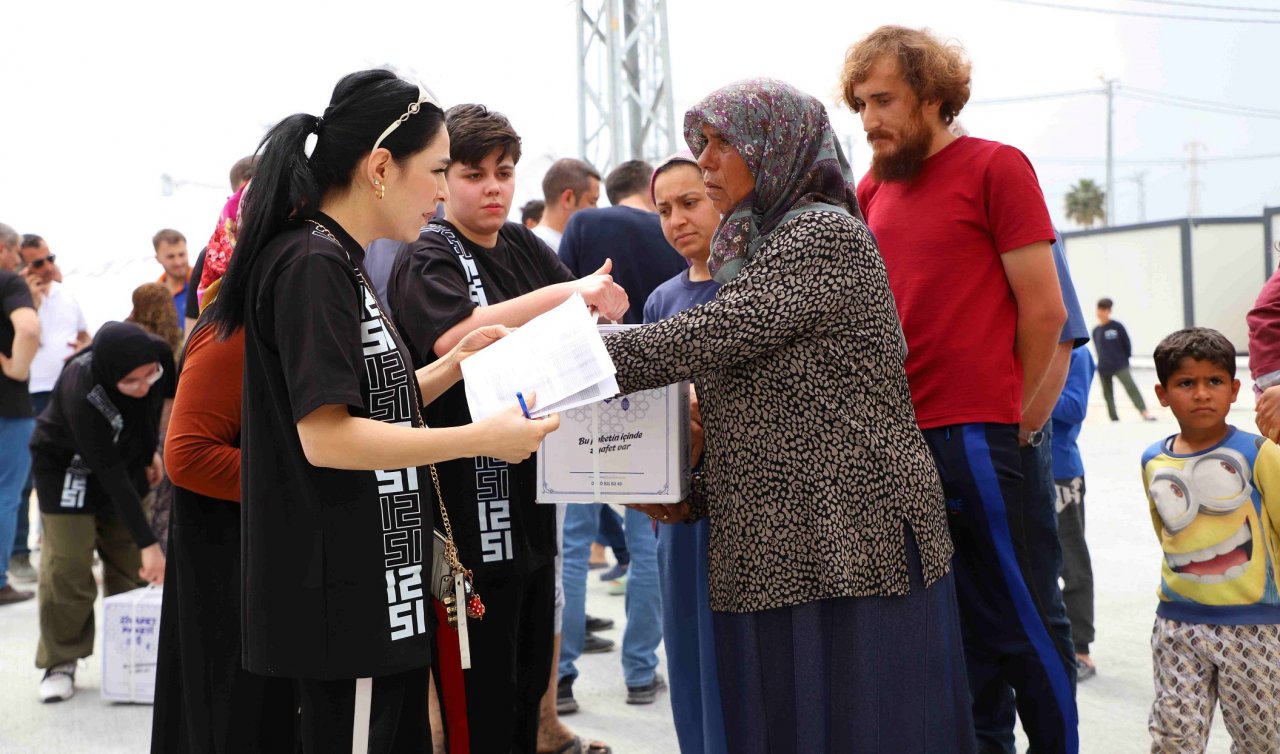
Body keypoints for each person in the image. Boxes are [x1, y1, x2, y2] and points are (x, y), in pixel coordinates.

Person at [607, 78, 972, 752]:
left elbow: (708, 337)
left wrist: (563, 360)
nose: (707, 160)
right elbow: (772, 410)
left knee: (861, 723)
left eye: (721, 143)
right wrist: (690, 493)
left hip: (856, 538)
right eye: (701, 145)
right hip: (787, 537)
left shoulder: (820, 235)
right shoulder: (757, 253)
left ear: (774, 147)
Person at [206, 71, 558, 752]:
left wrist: (455, 364)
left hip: (380, 590)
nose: (440, 189)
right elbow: (327, 438)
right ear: (379, 167)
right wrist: (478, 437)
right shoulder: (312, 262)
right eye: (435, 170)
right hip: (344, 597)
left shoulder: (340, 258)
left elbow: (376, 404)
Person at [843, 26, 1077, 754]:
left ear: (935, 97)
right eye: (860, 105)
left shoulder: (996, 167)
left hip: (979, 434)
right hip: (900, 445)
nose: (870, 119)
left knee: (1024, 620)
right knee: (954, 628)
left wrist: (1021, 419)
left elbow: (1047, 312)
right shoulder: (872, 188)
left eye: (884, 100)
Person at [388, 102, 624, 754]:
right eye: (474, 174)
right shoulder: (430, 251)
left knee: (524, 686)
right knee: (473, 693)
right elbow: (459, 338)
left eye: (505, 172)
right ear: (443, 179)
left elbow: (575, 328)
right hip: (459, 514)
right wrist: (569, 293)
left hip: (531, 497)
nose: (493, 188)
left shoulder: (520, 245)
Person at [151, 239, 297, 752]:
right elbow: (187, 455)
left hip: (258, 555)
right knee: (233, 714)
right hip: (229, 560)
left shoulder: (272, 314)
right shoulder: (232, 327)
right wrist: (300, 484)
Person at [556, 157, 689, 713]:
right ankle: (640, 672)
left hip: (584, 397)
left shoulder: (585, 226)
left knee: (571, 542)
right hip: (652, 400)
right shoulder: (676, 239)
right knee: (647, 540)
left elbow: (558, 303)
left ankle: (560, 678)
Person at [1141, 327, 1280, 752]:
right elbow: (1167, 532)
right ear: (1163, 393)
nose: (1202, 394)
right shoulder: (1152, 460)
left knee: (1262, 741)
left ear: (1235, 389)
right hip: (1177, 621)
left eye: (1214, 381)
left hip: (1255, 626)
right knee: (1173, 738)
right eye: (1186, 383)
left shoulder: (1261, 452)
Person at [30, 322, 173, 701]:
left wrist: (149, 454)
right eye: (131, 381)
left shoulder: (157, 357)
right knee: (69, 565)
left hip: (124, 458)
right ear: (110, 375)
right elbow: (106, 469)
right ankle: (61, 660)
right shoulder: (82, 389)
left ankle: (133, 661)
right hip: (67, 465)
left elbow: (149, 409)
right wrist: (151, 543)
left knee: (131, 562)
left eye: (149, 375)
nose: (143, 385)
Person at [643, 150, 728, 754]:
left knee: (735, 660)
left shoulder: (753, 289)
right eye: (664, 210)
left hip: (743, 509)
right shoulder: (659, 303)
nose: (677, 220)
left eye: (690, 202)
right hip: (678, 514)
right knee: (689, 652)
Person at [12, 234, 89, 583]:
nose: (46, 267)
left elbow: (85, 334)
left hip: (66, 391)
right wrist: (31, 298)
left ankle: (60, 544)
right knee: (25, 479)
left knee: (70, 469)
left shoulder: (66, 295)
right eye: (37, 262)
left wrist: (83, 346)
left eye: (49, 258)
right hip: (29, 393)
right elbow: (27, 335)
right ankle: (18, 553)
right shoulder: (17, 299)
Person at [0, 223, 40, 606]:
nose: (18, 261)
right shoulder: (9, 282)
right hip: (8, 407)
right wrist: (17, 367)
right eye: (14, 253)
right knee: (6, 494)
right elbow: (27, 329)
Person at [1052, 345, 1098, 680]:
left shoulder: (1076, 352)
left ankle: (1081, 649)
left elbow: (1074, 406)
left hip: (1061, 473)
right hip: (1017, 467)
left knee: (1072, 564)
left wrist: (1021, 384)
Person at [186, 157, 257, 332]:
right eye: (240, 199)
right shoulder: (211, 257)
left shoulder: (289, 246)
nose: (244, 208)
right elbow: (192, 327)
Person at [1093, 297, 1156, 422]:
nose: (1102, 312)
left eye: (1105, 309)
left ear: (1109, 311)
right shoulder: (1096, 330)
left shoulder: (1117, 326)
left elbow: (1127, 344)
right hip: (1104, 367)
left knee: (1131, 387)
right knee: (1107, 394)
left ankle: (1144, 412)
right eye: (1100, 309)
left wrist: (1125, 359)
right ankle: (1113, 417)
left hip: (1120, 365)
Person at [532, 158, 600, 252]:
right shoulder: (545, 248)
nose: (597, 209)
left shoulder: (533, 243)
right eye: (592, 201)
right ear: (568, 199)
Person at [152, 229, 191, 326]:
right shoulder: (153, 297)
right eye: (170, 257)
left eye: (181, 254)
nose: (178, 262)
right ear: (158, 259)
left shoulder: (206, 285)